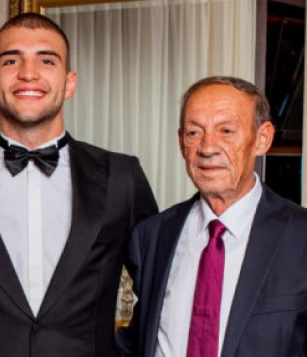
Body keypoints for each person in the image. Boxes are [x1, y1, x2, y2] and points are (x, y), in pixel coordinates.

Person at [0, 12, 158, 356]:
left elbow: (159, 286)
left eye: (46, 60)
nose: (28, 73)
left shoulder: (122, 177)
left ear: (70, 82)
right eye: (12, 60)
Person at [117, 76, 307, 356]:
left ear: (262, 139)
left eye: (226, 131)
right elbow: (136, 341)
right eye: (194, 133)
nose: (207, 148)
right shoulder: (152, 235)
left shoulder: (300, 236)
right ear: (181, 142)